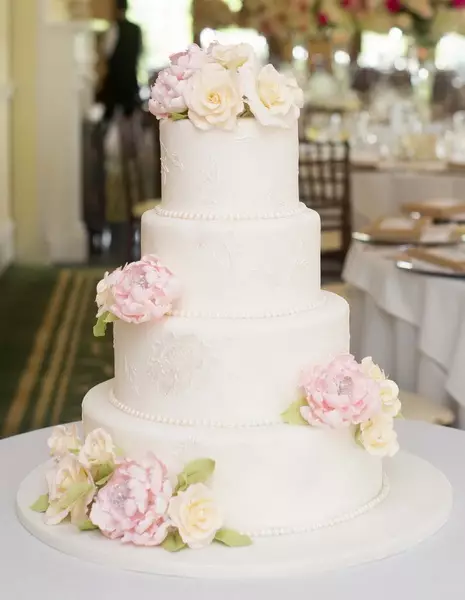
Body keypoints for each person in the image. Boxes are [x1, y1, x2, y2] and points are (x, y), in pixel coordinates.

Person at [98, 0, 143, 122]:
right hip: (130, 81)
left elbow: (106, 52)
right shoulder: (136, 30)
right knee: (129, 118)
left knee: (110, 119)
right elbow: (140, 53)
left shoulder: (113, 29)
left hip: (115, 82)